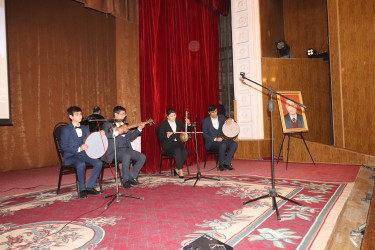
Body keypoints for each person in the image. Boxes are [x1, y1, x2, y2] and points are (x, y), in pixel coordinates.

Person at [60, 106, 104, 199]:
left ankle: (90, 186)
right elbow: (64, 147)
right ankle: (82, 190)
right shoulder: (65, 129)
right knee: (81, 164)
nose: (80, 116)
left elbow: (90, 141)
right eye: (77, 114)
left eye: (80, 114)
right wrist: (79, 148)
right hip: (70, 156)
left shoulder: (85, 128)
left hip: (83, 154)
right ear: (71, 117)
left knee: (99, 163)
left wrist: (99, 134)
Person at [101, 106, 146, 189]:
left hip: (126, 149)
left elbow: (130, 138)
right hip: (114, 150)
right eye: (122, 114)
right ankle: (125, 181)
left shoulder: (124, 125)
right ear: (116, 114)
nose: (124, 116)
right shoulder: (108, 124)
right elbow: (105, 136)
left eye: (125, 114)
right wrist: (118, 132)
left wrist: (139, 129)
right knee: (126, 156)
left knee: (142, 157)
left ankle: (132, 177)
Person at [202, 104, 237, 171]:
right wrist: (215, 139)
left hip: (222, 140)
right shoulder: (205, 121)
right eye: (212, 112)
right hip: (211, 143)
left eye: (215, 111)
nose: (215, 113)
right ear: (209, 112)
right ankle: (221, 165)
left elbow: (232, 120)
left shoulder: (221, 117)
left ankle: (226, 163)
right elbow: (205, 135)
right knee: (222, 144)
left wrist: (230, 119)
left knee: (234, 144)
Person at [157, 108, 191, 178]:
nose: (173, 117)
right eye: (171, 116)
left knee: (185, 151)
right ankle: (180, 170)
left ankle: (177, 169)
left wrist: (188, 124)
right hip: (168, 145)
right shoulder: (163, 124)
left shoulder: (178, 121)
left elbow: (188, 130)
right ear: (167, 116)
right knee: (177, 150)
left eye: (174, 115)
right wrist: (167, 135)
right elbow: (161, 137)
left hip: (178, 143)